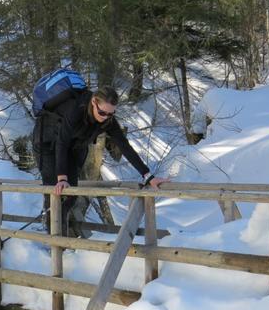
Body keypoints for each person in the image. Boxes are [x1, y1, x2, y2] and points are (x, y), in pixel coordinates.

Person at [33, 85, 168, 236]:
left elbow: (124, 146)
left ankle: (57, 232)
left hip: (74, 146)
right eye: (102, 112)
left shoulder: (107, 120)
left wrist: (147, 175)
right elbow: (62, 142)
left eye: (111, 114)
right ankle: (55, 241)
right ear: (93, 102)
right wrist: (62, 178)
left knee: (70, 195)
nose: (106, 117)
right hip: (48, 142)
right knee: (56, 191)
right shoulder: (76, 109)